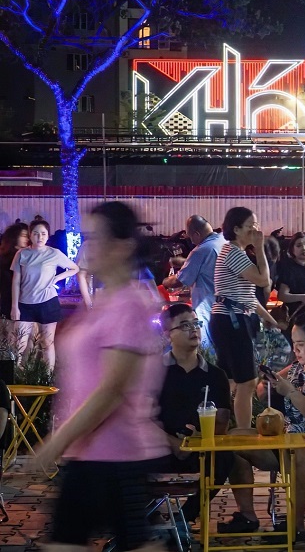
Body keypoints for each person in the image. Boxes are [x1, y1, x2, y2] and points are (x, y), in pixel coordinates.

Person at [34, 201, 169, 551]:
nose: (85, 247)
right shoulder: (105, 301)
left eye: (95, 238)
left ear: (122, 246)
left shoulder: (130, 305)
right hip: (92, 451)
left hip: (115, 453)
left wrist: (57, 442)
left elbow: (110, 392)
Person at [223, 310, 305, 542]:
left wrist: (291, 392)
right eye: (293, 344)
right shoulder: (298, 367)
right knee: (235, 439)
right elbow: (265, 389)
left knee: (299, 450)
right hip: (291, 438)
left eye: (300, 345)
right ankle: (247, 515)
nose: (295, 350)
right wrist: (266, 385)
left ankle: (295, 526)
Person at [157, 303, 247, 524]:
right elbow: (139, 418)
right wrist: (171, 442)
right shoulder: (153, 371)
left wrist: (197, 440)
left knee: (225, 458)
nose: (193, 329)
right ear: (168, 334)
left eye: (196, 323)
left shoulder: (215, 375)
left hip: (199, 449)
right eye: (185, 325)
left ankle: (183, 519)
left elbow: (222, 421)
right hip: (158, 447)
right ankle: (148, 517)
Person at [210, 207, 278, 429]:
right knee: (247, 382)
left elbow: (247, 297)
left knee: (231, 380)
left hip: (233, 318)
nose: (256, 231)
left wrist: (268, 317)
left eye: (256, 225)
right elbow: (262, 280)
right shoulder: (233, 253)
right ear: (236, 229)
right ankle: (244, 432)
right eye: (251, 226)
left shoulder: (235, 252)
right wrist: (260, 248)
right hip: (231, 321)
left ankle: (223, 427)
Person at [10, 219, 80, 367]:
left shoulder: (54, 253)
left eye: (43, 234)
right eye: (36, 233)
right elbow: (16, 281)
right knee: (20, 344)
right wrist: (14, 306)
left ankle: (47, 379)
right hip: (24, 303)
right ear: (30, 235)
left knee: (47, 343)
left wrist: (57, 277)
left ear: (48, 236)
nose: (39, 237)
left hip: (47, 303)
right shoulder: (22, 254)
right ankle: (17, 378)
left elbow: (75, 268)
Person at [161, 216, 224, 350]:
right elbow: (209, 264)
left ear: (197, 234)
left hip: (208, 308)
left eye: (190, 237)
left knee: (207, 350)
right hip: (226, 309)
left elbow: (179, 281)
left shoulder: (200, 250)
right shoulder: (223, 241)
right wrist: (186, 262)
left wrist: (165, 281)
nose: (191, 241)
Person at [0, 222, 28, 341]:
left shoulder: (29, 256)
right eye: (24, 235)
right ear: (14, 237)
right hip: (7, 306)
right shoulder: (4, 259)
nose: (27, 238)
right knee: (9, 341)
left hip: (27, 305)